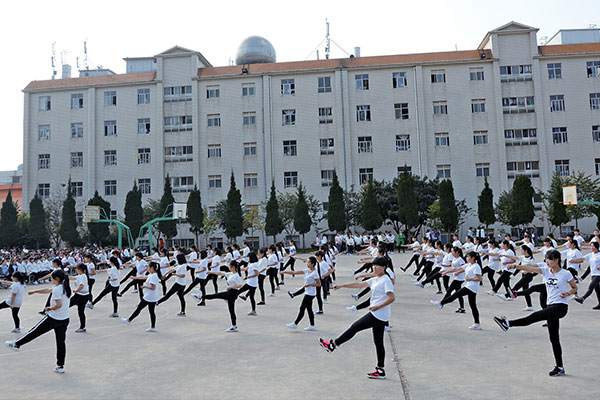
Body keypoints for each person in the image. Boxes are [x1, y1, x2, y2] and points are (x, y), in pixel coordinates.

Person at [493, 250, 578, 377]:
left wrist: (567, 293)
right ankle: (560, 367)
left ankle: (508, 323)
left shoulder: (565, 274)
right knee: (554, 339)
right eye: (546, 259)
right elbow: (531, 267)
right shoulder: (545, 269)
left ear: (557, 260)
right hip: (551, 306)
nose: (547, 261)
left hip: (560, 307)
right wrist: (516, 266)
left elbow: (574, 287)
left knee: (534, 316)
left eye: (550, 259)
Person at [318, 257, 395, 379]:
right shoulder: (376, 279)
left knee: (355, 327)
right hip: (381, 314)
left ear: (384, 267)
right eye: (374, 265)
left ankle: (333, 344)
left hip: (378, 314)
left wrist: (377, 306)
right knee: (378, 342)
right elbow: (359, 284)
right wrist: (342, 285)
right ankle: (380, 370)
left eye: (378, 266)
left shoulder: (385, 280)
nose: (375, 267)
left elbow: (391, 298)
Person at [5, 269, 71, 374]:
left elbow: (59, 305)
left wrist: (49, 308)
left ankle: (16, 344)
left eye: (52, 278)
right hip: (64, 319)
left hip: (54, 318)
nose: (51, 280)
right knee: (61, 343)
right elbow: (48, 290)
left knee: (34, 331)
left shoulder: (58, 289)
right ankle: (60, 366)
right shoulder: (64, 287)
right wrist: (35, 291)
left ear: (57, 279)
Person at [431, 251, 483, 330]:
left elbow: (480, 278)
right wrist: (446, 271)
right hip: (469, 286)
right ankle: (477, 323)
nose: (466, 258)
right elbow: (456, 268)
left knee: (456, 294)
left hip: (471, 287)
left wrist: (470, 278)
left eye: (468, 257)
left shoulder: (476, 266)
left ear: (473, 258)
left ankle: (441, 303)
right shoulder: (468, 265)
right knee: (473, 305)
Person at [202, 260, 244, 332]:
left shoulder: (236, 276)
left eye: (230, 265)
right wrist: (211, 272)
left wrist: (231, 287)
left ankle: (201, 297)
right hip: (230, 292)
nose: (229, 267)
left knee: (216, 295)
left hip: (232, 294)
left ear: (233, 267)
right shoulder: (231, 274)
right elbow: (221, 273)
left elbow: (240, 286)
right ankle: (234, 326)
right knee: (231, 310)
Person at [283, 256, 320, 331]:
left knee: (302, 308)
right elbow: (295, 272)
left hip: (311, 294)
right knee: (309, 309)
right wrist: (284, 271)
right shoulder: (307, 270)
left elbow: (319, 284)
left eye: (309, 262)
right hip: (307, 292)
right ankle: (312, 325)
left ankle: (295, 324)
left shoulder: (315, 273)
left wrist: (310, 284)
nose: (307, 263)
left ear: (312, 264)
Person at [121, 262, 161, 332]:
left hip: (149, 297)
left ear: (152, 268)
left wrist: (145, 286)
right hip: (152, 297)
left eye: (148, 267)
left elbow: (153, 287)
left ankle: (129, 320)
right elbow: (144, 277)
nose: (147, 269)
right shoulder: (152, 275)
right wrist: (134, 277)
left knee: (139, 308)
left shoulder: (153, 276)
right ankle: (153, 327)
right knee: (151, 312)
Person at [573, 241, 600, 308]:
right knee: (597, 290)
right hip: (593, 274)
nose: (592, 248)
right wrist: (573, 260)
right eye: (591, 246)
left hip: (598, 275)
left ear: (596, 247)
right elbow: (582, 258)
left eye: (593, 246)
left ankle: (582, 298)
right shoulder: (590, 255)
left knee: (591, 287)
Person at [69, 264, 89, 333]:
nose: (76, 270)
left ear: (80, 270)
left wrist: (76, 290)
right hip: (85, 295)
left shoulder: (82, 277)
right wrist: (65, 277)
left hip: (80, 296)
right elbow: (73, 277)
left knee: (66, 305)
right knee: (81, 312)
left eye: (77, 269)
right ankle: (82, 327)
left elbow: (81, 286)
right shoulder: (82, 275)